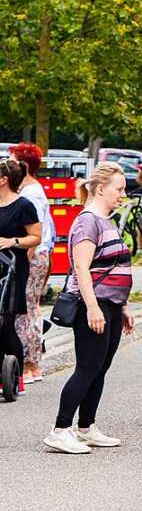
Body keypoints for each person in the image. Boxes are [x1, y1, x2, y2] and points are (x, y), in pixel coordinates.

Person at [44, 162, 134, 454]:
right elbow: (82, 269)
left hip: (110, 305)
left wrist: (122, 306)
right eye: (118, 189)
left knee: (101, 367)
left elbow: (114, 266)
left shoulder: (107, 220)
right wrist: (93, 308)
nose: (123, 194)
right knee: (87, 367)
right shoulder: (88, 222)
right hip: (92, 305)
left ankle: (86, 426)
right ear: (100, 189)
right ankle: (60, 429)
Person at [10, 143, 54, 384]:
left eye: (12, 160)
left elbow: (35, 234)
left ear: (23, 165)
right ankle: (31, 361)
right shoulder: (29, 190)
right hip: (36, 255)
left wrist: (23, 264)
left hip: (32, 257)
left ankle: (31, 363)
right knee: (30, 307)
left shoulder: (31, 194)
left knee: (26, 309)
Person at [0, 159, 42, 397]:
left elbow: (36, 236)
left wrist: (13, 241)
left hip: (13, 269)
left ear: (3, 180)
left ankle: (15, 377)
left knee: (6, 321)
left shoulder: (23, 205)